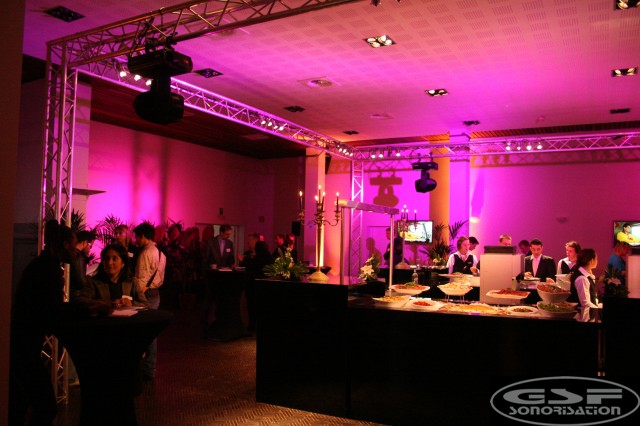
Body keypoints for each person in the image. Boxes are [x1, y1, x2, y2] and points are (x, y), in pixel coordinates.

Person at [9, 220, 77, 425]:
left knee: (19, 406)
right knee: (46, 407)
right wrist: (86, 309)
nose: (76, 251)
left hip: (20, 346)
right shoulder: (49, 269)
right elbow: (53, 312)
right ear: (65, 245)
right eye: (74, 246)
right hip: (25, 349)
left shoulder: (42, 265)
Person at [133, 222, 166, 381]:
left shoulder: (145, 254)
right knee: (151, 333)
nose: (136, 240)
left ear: (144, 236)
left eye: (137, 237)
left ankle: (145, 369)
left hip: (145, 296)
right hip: (156, 294)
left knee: (143, 333)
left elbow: (140, 280)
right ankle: (150, 368)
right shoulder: (161, 254)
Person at [79, 244, 148, 308]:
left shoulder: (132, 282)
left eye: (114, 259)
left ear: (123, 263)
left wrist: (131, 303)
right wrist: (109, 303)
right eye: (107, 258)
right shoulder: (93, 282)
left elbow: (145, 304)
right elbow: (82, 302)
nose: (109, 263)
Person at [568, 248, 599, 321]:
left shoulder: (585, 275)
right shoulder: (582, 278)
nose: (597, 261)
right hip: (583, 318)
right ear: (591, 261)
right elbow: (585, 303)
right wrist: (598, 309)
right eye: (596, 259)